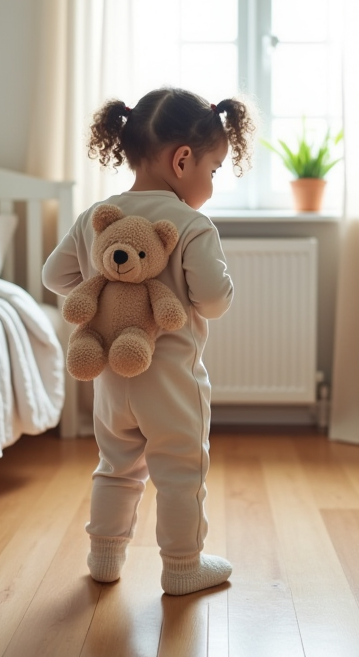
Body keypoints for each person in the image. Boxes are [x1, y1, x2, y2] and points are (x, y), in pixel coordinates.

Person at [42, 87, 254, 595]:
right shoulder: (191, 223)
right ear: (183, 160)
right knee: (180, 472)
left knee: (116, 466)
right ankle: (183, 568)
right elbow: (213, 301)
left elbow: (54, 277)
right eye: (214, 169)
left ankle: (105, 559)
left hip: (113, 380)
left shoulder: (99, 217)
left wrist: (106, 294)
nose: (212, 182)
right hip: (173, 383)